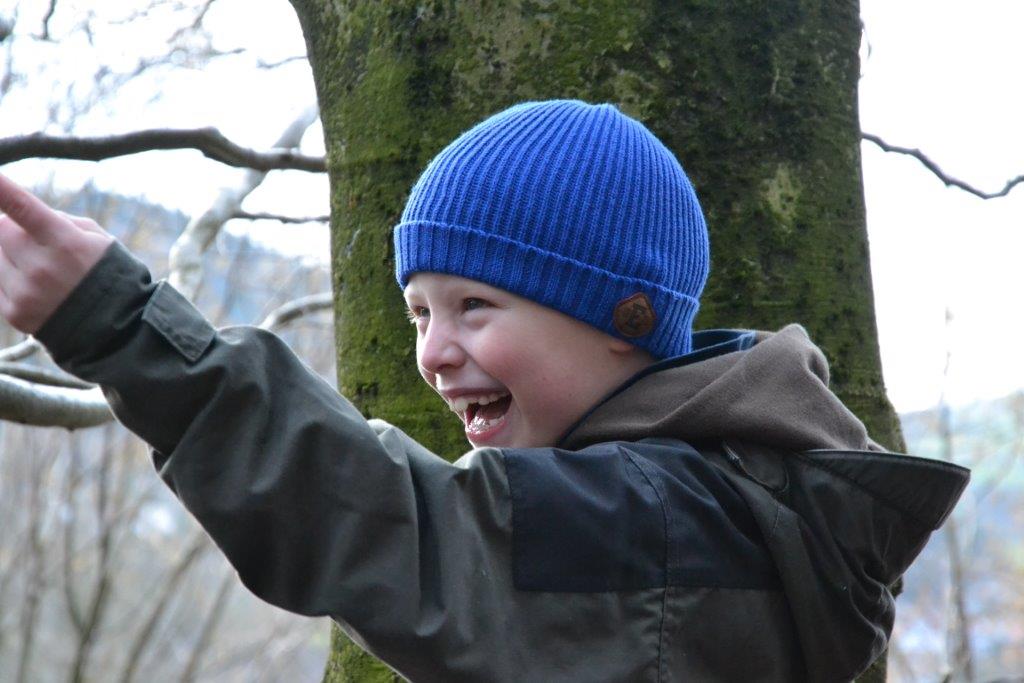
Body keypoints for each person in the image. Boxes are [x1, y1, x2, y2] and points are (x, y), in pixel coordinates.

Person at [0, 100, 969, 682]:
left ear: (622, 315)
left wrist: (119, 323)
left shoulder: (669, 522)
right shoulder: (730, 500)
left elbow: (388, 526)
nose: (433, 352)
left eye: (474, 305)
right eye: (420, 311)